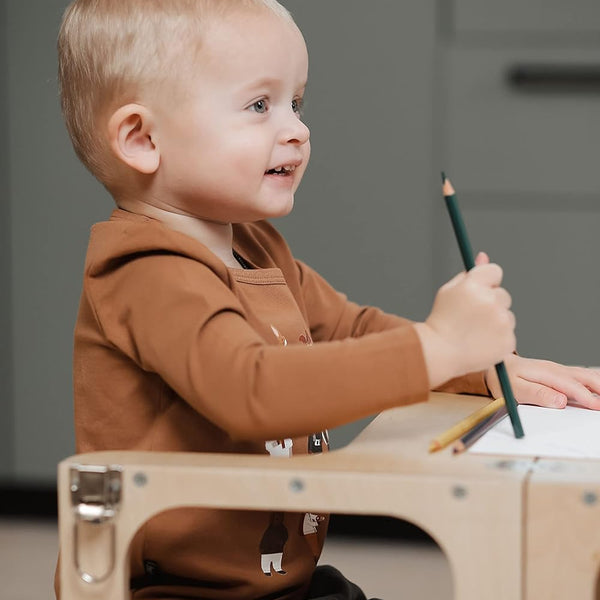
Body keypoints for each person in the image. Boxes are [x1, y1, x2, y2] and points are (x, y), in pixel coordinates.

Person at [55, 1, 600, 598]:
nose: (297, 128)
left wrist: (480, 370)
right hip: (176, 590)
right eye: (260, 105)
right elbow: (250, 390)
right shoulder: (145, 271)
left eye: (297, 103)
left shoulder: (255, 246)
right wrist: (438, 346)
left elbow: (349, 327)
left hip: (280, 582)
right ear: (141, 138)